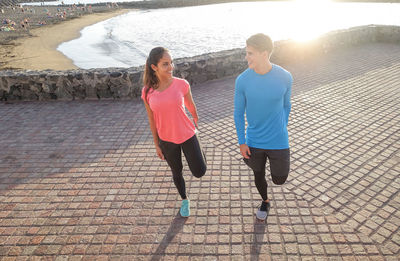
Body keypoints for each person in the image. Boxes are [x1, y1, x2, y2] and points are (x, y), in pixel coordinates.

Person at [141, 47, 207, 217]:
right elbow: (152, 120)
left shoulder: (181, 84)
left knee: (199, 171)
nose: (171, 67)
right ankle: (185, 200)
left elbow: (191, 105)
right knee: (176, 172)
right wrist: (156, 144)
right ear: (154, 67)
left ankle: (198, 146)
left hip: (187, 134)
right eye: (165, 64)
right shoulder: (147, 92)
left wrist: (196, 118)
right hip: (167, 140)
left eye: (171, 63)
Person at [234, 33, 293, 221]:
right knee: (258, 173)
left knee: (279, 179)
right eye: (246, 53)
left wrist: (281, 124)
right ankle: (265, 201)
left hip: (279, 140)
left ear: (264, 53)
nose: (246, 57)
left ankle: (271, 170)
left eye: (250, 53)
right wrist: (242, 142)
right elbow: (237, 113)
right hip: (254, 141)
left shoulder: (285, 76)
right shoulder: (242, 80)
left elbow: (286, 105)